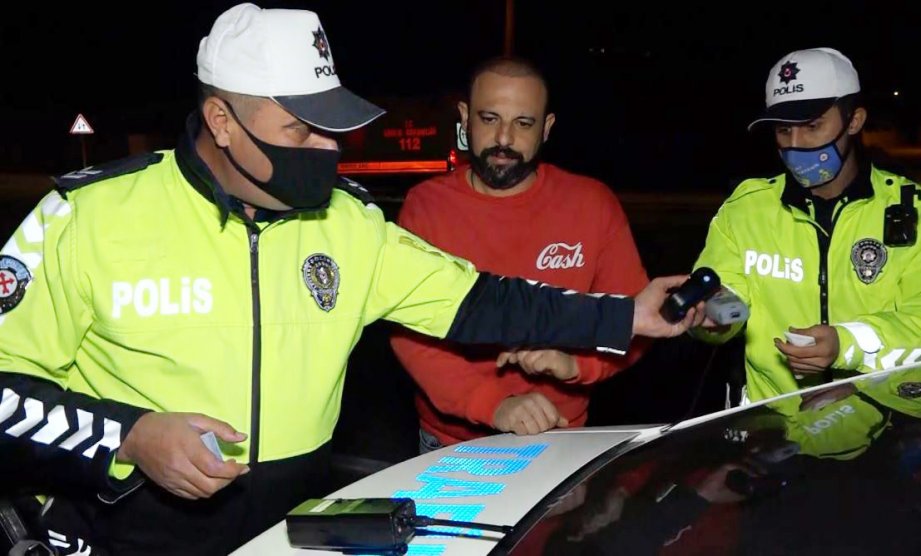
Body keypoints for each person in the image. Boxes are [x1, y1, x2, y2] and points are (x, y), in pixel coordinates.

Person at [0, 4, 703, 554]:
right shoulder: (86, 216)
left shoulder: (349, 223)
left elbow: (479, 299)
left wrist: (621, 317)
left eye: (331, 127)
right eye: (301, 130)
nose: (328, 151)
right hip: (132, 530)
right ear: (221, 120)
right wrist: (127, 436)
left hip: (296, 530)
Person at [690, 47, 921, 406]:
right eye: (784, 130)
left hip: (887, 435)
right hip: (772, 438)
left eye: (813, 126)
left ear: (854, 120)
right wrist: (711, 321)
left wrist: (849, 342)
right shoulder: (745, 209)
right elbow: (723, 298)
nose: (795, 145)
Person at [388, 56, 652, 452]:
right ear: (464, 118)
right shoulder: (425, 207)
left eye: (523, 123)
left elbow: (637, 318)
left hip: (563, 439)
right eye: (490, 118)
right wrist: (494, 404)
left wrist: (576, 366)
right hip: (451, 444)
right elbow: (410, 335)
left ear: (546, 128)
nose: (504, 139)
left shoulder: (592, 203)